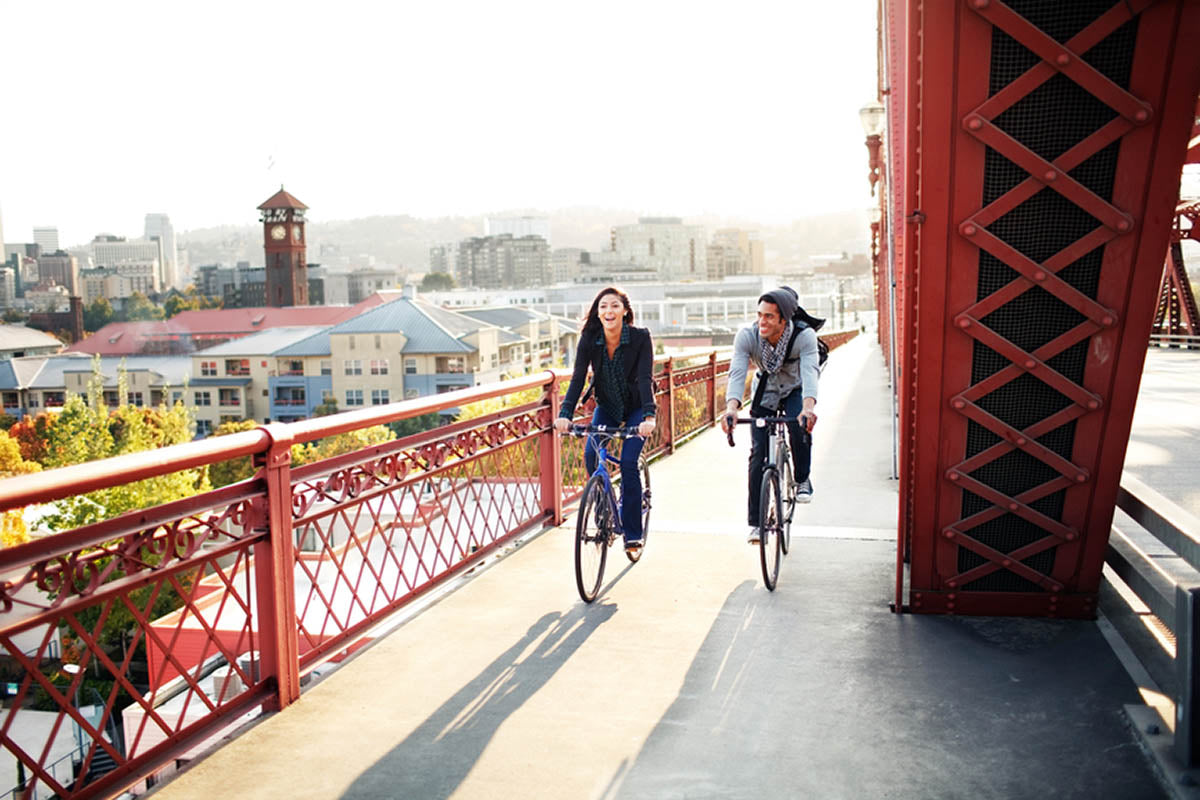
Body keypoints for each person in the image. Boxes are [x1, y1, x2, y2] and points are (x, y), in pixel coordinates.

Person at [554, 286, 657, 552]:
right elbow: (578, 377)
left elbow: (646, 378)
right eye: (603, 306)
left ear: (625, 311)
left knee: (628, 462)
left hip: (636, 408)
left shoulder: (640, 337)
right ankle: (603, 512)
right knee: (591, 454)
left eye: (614, 306)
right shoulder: (590, 338)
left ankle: (632, 533)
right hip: (608, 406)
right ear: (597, 313)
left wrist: (649, 415)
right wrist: (565, 414)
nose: (608, 311)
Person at [719, 288, 821, 544]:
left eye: (769, 317)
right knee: (757, 455)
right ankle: (756, 523)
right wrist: (731, 408)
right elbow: (737, 371)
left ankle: (801, 478)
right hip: (765, 392)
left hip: (795, 389)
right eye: (759, 315)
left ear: (783, 320)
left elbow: (810, 371)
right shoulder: (748, 336)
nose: (761, 322)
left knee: (798, 427)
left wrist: (808, 408)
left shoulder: (803, 336)